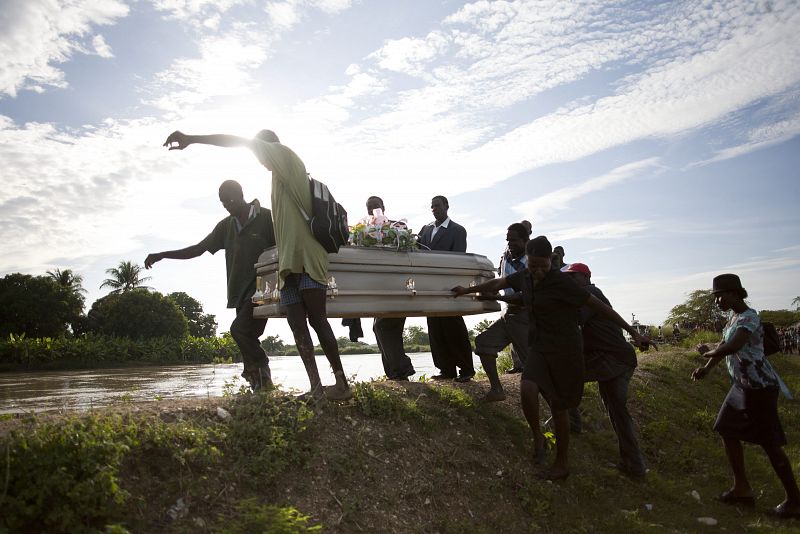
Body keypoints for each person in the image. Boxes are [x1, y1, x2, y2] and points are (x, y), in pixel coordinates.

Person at [163, 129, 351, 403]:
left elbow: (237, 141)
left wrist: (192, 139)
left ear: (268, 145)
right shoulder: (277, 180)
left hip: (308, 258)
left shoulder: (285, 158)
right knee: (297, 325)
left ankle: (341, 382)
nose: (259, 159)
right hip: (288, 266)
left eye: (261, 151)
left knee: (317, 319)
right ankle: (316, 388)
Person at [453, 236, 651, 480]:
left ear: (551, 262)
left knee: (576, 406)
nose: (537, 271)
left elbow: (601, 309)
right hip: (544, 347)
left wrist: (634, 333)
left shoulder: (566, 286)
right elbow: (507, 286)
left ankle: (573, 462)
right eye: (533, 266)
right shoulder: (528, 277)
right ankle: (539, 437)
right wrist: (469, 291)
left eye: (543, 266)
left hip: (581, 353)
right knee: (529, 387)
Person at [144, 180, 275, 391]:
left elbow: (284, 247)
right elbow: (198, 249)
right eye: (223, 202)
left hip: (264, 289)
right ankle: (260, 385)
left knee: (239, 330)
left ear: (241, 195)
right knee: (248, 334)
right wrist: (163, 255)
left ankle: (262, 375)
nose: (227, 205)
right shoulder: (226, 226)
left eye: (230, 200)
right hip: (239, 293)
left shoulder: (267, 217)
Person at [692, 274, 800, 518]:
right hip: (742, 386)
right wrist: (706, 370)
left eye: (719, 295)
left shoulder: (749, 318)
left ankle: (794, 500)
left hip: (759, 388)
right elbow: (723, 347)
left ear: (733, 293)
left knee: (770, 444)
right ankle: (741, 489)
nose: (717, 301)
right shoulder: (733, 319)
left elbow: (732, 347)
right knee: (726, 429)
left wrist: (705, 353)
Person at [563, 262, 647, 478]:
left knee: (617, 412)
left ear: (585, 278)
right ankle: (633, 465)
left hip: (613, 361)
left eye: (573, 277)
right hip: (611, 360)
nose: (569, 281)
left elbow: (572, 323)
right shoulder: (587, 295)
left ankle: (573, 423)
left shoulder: (589, 293)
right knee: (617, 412)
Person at [471, 223, 530, 402]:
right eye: (508, 240)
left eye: (514, 240)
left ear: (526, 240)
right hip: (509, 314)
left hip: (526, 316)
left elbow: (523, 296)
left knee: (533, 367)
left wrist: (497, 298)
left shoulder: (532, 262)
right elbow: (501, 284)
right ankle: (497, 390)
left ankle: (569, 419)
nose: (510, 244)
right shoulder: (505, 258)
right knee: (483, 342)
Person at [418, 195, 474, 382]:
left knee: (453, 327)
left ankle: (466, 369)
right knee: (435, 327)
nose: (434, 209)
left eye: (438, 205)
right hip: (428, 286)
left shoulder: (458, 230)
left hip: (448, 286)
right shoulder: (425, 230)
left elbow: (459, 260)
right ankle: (446, 369)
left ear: (447, 206)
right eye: (432, 206)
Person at [366, 196, 415, 381]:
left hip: (397, 283)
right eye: (370, 208)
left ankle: (402, 368)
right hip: (379, 285)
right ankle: (394, 372)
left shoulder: (396, 226)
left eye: (376, 206)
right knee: (382, 328)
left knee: (384, 326)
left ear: (383, 207)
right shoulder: (366, 229)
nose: (373, 210)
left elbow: (408, 248)